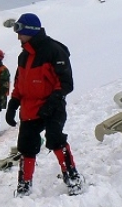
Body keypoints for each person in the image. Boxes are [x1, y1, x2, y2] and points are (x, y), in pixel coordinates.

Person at [5, 13, 83, 196]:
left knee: (55, 139)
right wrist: (13, 104)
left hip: (52, 106)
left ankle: (72, 178)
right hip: (30, 107)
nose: (17, 36)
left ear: (30, 31)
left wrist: (53, 101)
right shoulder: (24, 56)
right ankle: (24, 185)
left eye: (19, 31)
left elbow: (66, 82)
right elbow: (20, 84)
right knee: (26, 145)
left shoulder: (54, 51)